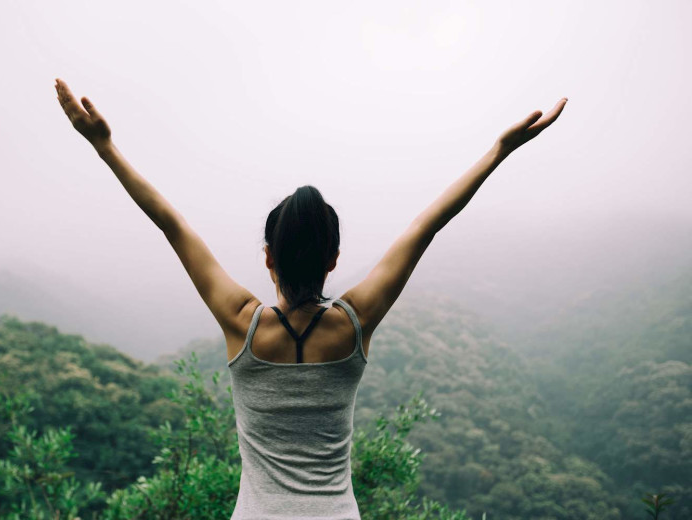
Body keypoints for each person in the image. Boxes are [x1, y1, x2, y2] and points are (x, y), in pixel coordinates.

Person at [55, 78, 567, 519]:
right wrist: (498, 153)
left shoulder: (242, 323)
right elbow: (425, 226)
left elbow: (172, 225)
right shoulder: (352, 325)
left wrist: (105, 147)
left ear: (267, 258)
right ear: (333, 259)